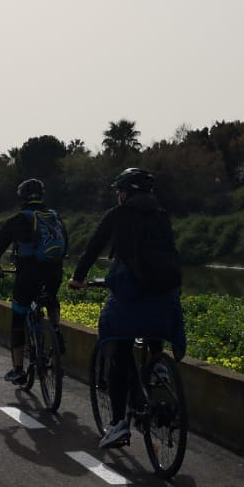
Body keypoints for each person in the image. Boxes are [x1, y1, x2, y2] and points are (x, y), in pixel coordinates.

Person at [68, 167, 186, 448]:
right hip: (167, 300)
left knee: (117, 346)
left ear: (126, 193)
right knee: (153, 320)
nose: (118, 195)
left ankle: (118, 423)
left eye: (119, 191)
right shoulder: (161, 215)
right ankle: (158, 364)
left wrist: (78, 278)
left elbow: (94, 247)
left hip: (131, 298)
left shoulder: (118, 215)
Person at [0, 178, 69, 387]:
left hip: (29, 274)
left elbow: (0, 243)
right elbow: (65, 243)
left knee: (19, 315)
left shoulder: (19, 219)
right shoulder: (54, 217)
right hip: (54, 271)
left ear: (21, 198)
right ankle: (56, 330)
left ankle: (18, 370)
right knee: (50, 297)